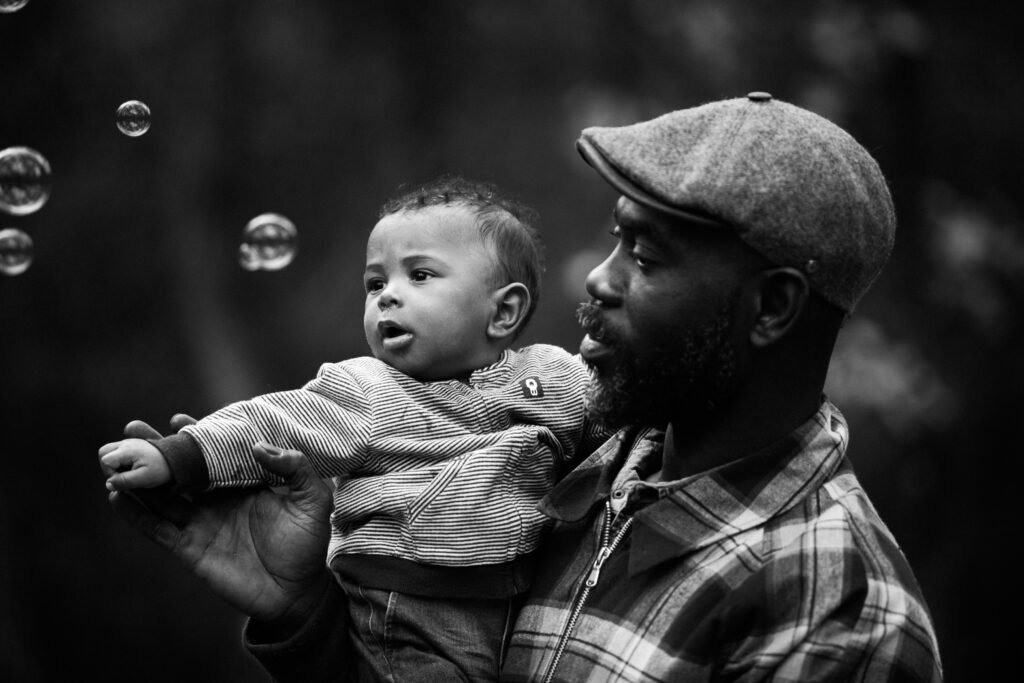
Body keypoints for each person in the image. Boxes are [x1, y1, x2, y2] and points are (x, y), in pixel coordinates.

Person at [107, 93, 943, 681]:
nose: (598, 278)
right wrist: (304, 613)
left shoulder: (835, 611)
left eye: (646, 257)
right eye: (614, 239)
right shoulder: (568, 460)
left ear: (772, 307)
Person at [99, 175, 609, 681]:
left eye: (420, 275)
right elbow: (274, 421)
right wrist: (181, 457)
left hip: (513, 597)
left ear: (503, 311)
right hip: (407, 609)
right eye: (375, 283)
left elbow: (614, 422)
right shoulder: (368, 389)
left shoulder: (552, 376)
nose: (387, 296)